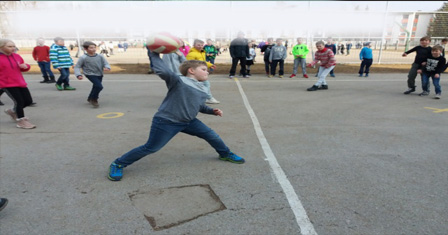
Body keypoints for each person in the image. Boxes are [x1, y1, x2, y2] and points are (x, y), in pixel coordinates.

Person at [107, 52, 245, 181]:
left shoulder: (202, 87)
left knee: (212, 135)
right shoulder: (178, 81)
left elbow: (199, 106)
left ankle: (225, 154)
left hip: (189, 121)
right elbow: (163, 70)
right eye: (203, 69)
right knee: (151, 148)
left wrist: (211, 111)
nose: (207, 71)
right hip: (167, 122)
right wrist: (153, 52)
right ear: (191, 70)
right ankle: (118, 163)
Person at [0, 39, 36, 129]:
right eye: (9, 46)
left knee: (28, 101)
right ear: (1, 47)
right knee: (19, 102)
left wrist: (25, 66)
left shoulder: (16, 56)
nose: (13, 48)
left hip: (20, 82)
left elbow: (23, 67)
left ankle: (12, 111)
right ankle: (21, 121)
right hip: (7, 84)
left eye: (13, 46)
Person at [74, 41, 111, 108]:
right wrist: (78, 75)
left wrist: (107, 67)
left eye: (94, 47)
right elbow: (77, 67)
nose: (93, 49)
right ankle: (94, 99)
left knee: (95, 86)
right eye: (91, 48)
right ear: (86, 49)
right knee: (99, 86)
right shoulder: (83, 57)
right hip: (89, 74)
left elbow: (106, 63)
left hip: (99, 73)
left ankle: (90, 98)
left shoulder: (100, 56)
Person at [186, 39, 219, 104]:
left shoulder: (202, 52)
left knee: (204, 85)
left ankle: (207, 98)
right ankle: (209, 98)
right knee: (205, 84)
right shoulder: (192, 54)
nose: (200, 46)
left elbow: (202, 62)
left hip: (199, 72)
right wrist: (193, 72)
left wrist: (210, 65)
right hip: (195, 73)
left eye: (201, 45)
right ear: (194, 45)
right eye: (198, 45)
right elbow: (188, 64)